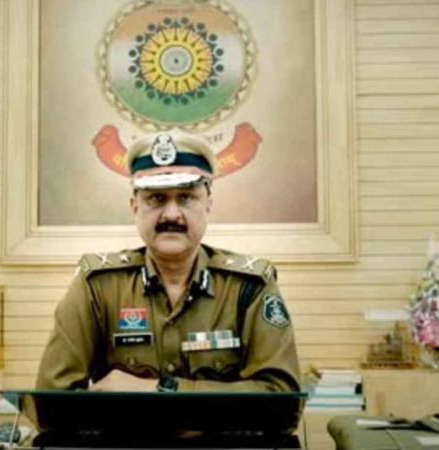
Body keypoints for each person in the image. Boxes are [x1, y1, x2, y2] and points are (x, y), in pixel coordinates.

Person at [35, 132, 300, 392]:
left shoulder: (250, 288)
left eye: (186, 198)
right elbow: (51, 399)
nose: (171, 215)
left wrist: (159, 389)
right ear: (134, 206)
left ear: (208, 204)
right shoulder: (97, 287)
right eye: (156, 198)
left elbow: (281, 398)